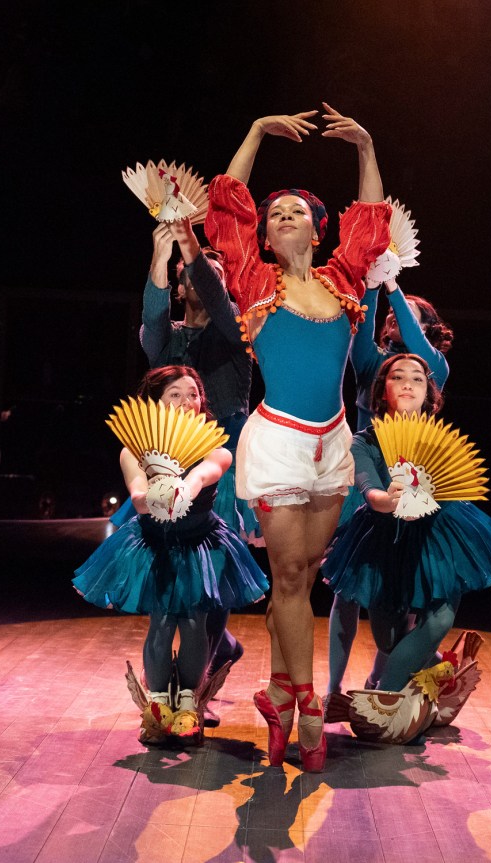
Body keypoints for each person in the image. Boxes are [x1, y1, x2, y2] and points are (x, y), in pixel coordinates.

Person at [204, 103, 392, 772]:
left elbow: (371, 228)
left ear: (317, 228)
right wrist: (253, 131)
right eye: (274, 212)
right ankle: (308, 706)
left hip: (332, 443)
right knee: (286, 572)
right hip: (280, 440)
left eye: (294, 212)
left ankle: (279, 692)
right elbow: (225, 210)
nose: (281, 218)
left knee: (306, 576)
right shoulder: (255, 281)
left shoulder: (344, 283)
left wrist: (366, 147)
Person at [72, 365, 269, 746]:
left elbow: (205, 474)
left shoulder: (216, 448)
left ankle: (187, 705)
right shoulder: (134, 451)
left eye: (192, 394)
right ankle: (158, 707)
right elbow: (138, 499)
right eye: (174, 395)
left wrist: (184, 486)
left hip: (199, 543)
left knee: (195, 622)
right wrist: (155, 495)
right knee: (162, 622)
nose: (185, 402)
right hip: (157, 544)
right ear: (156, 404)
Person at [112, 216, 260, 720]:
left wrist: (191, 245)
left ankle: (196, 695)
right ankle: (181, 689)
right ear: (177, 285)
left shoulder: (234, 330)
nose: (196, 279)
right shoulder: (166, 341)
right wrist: (160, 254)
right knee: (175, 581)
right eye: (187, 273)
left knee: (214, 581)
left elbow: (218, 301)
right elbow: (152, 321)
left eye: (208, 273)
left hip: (223, 458)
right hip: (166, 460)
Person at [321, 353, 491, 699]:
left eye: (418, 378)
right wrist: (389, 500)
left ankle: (384, 699)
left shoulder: (440, 439)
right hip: (386, 536)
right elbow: (370, 491)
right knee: (388, 640)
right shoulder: (364, 441)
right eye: (398, 377)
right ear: (383, 391)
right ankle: (441, 671)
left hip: (441, 534)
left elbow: (455, 480)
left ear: (429, 393)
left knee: (439, 620)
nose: (408, 383)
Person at [328, 278, 455, 700]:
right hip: (369, 475)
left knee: (413, 594)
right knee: (351, 588)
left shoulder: (430, 366)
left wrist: (394, 287)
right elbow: (360, 330)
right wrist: (369, 285)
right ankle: (335, 688)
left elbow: (416, 341)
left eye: (404, 318)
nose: (393, 320)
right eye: (389, 317)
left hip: (423, 484)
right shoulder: (373, 367)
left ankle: (388, 680)